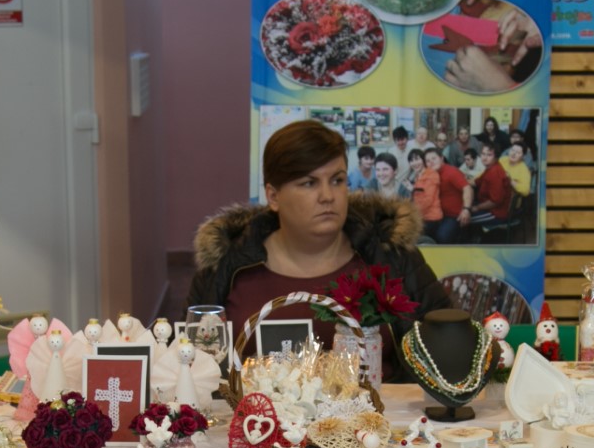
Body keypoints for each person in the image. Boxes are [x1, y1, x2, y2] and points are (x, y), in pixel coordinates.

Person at [187, 120, 449, 357]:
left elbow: (448, 350)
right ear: (273, 196)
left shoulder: (392, 255)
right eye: (309, 183)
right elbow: (187, 363)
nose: (328, 196)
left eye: (337, 180)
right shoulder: (226, 265)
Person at [412, 148, 473, 243]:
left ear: (442, 158)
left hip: (454, 215)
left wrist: (466, 209)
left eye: (434, 158)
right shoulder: (429, 174)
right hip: (437, 215)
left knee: (442, 237)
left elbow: (467, 188)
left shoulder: (451, 172)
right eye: (428, 161)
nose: (431, 162)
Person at [471, 140, 514, 225]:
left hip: (496, 213)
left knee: (463, 218)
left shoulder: (495, 173)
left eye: (489, 155)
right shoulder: (490, 168)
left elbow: (495, 202)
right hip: (486, 205)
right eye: (483, 154)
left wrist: (477, 207)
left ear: (496, 157)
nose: (484, 158)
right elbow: (476, 182)